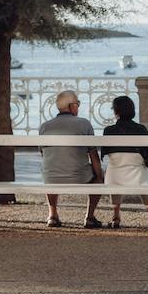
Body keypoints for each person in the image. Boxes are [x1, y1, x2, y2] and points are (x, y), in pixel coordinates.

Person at [39, 89, 102, 228]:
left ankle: (52, 215)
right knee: (98, 176)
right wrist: (100, 176)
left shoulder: (44, 127)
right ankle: (89, 217)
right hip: (79, 177)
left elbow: (44, 155)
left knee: (51, 169)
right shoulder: (84, 124)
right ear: (72, 106)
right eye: (78, 104)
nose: (78, 107)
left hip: (51, 178)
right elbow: (94, 157)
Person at [102, 95, 148, 229]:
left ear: (116, 112)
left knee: (114, 168)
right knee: (142, 173)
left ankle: (116, 216)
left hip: (115, 175)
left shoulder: (108, 131)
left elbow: (105, 152)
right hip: (138, 175)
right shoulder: (141, 129)